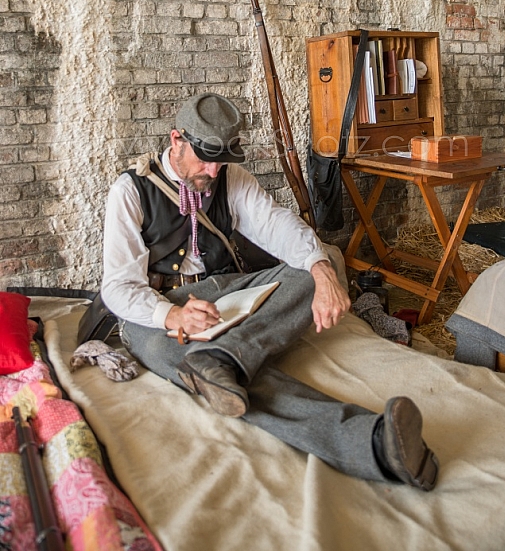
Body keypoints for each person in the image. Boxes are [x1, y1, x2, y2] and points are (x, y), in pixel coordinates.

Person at [101, 92, 439, 491]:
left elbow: (278, 227)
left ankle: (224, 355)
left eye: (221, 160)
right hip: (160, 309)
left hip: (225, 290)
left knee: (317, 264)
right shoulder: (131, 190)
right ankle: (374, 444)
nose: (212, 170)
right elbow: (119, 286)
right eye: (204, 157)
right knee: (215, 376)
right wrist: (172, 316)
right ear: (177, 140)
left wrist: (322, 271)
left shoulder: (229, 177)